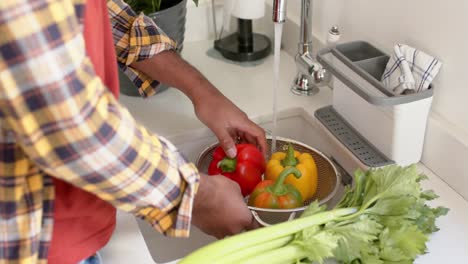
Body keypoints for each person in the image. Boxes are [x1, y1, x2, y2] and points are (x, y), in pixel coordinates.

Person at [0, 0, 267, 263]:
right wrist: (199, 198)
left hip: (70, 229)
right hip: (31, 244)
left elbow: (109, 17)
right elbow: (71, 125)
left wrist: (202, 91)